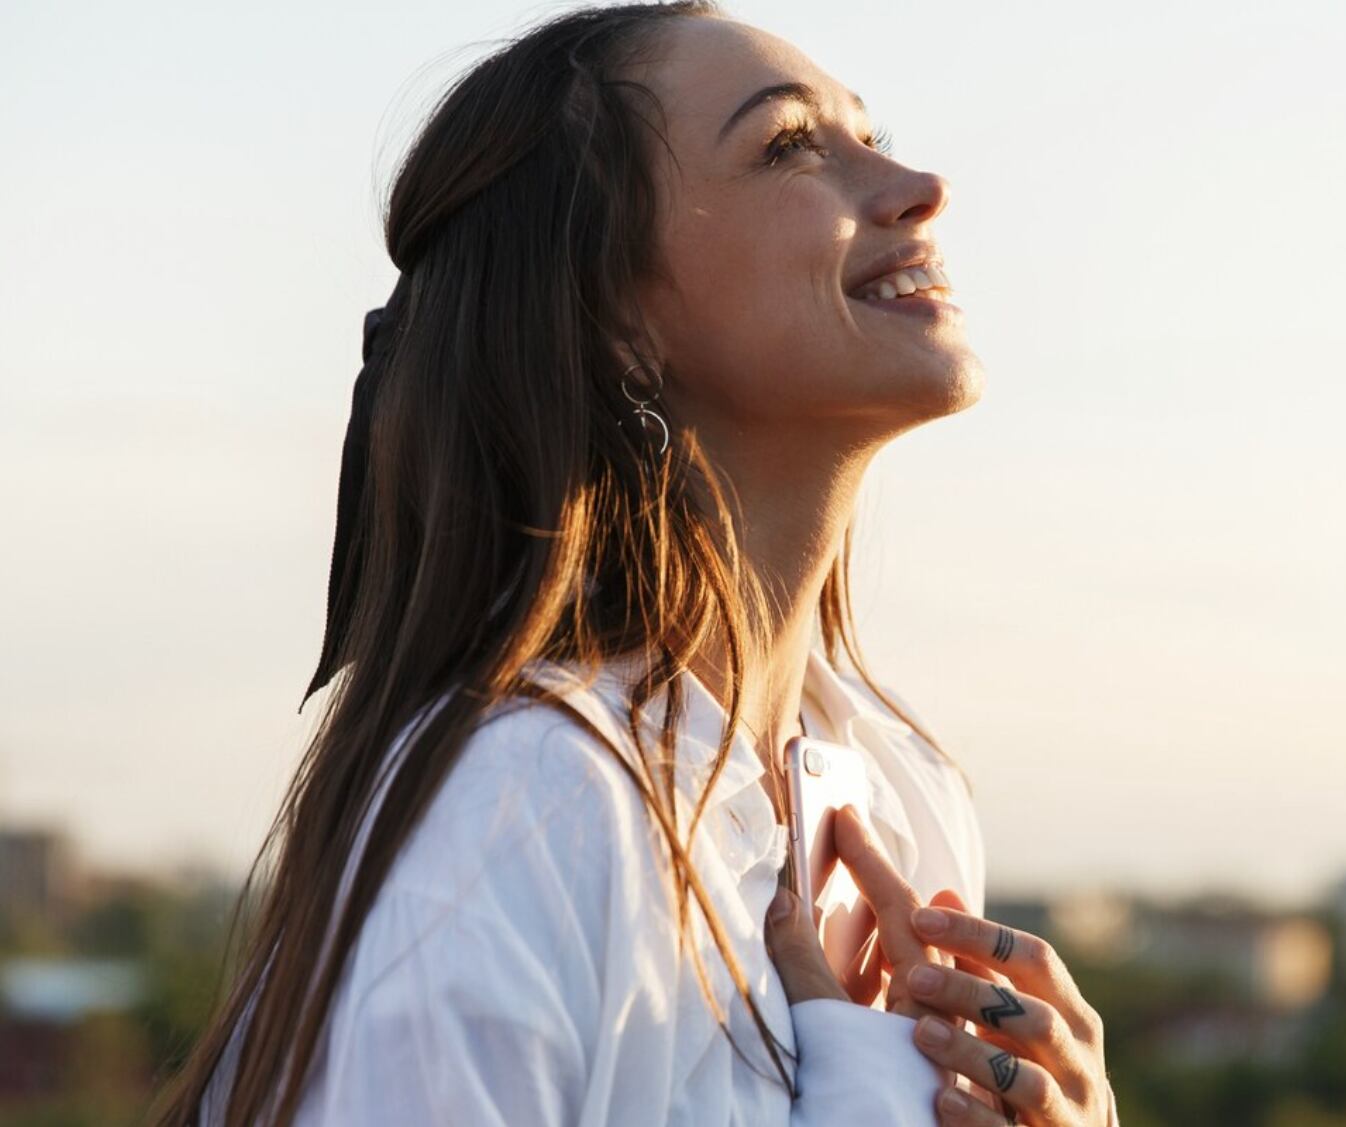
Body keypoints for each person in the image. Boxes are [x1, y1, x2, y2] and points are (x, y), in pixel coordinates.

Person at [147, 3, 1116, 1124]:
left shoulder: (905, 796)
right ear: (615, 314)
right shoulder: (523, 808)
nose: (917, 183)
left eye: (872, 130)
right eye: (791, 145)